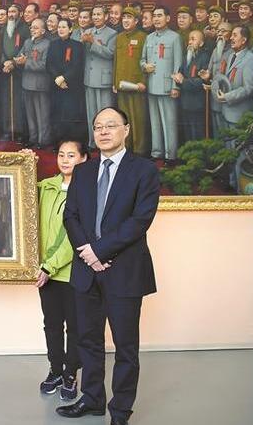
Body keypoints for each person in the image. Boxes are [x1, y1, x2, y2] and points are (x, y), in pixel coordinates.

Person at [58, 107, 160, 425]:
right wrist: (88, 254)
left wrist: (100, 251)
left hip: (124, 271)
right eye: (98, 126)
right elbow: (70, 216)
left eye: (110, 125)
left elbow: (140, 220)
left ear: (126, 130)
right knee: (87, 340)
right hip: (86, 270)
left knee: (125, 346)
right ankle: (92, 399)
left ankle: (120, 410)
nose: (103, 131)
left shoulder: (144, 170)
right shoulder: (83, 171)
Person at [33, 139, 88, 402]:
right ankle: (55, 370)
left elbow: (72, 238)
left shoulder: (86, 193)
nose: (65, 160)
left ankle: (70, 374)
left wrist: (49, 266)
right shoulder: (46, 187)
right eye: (61, 155)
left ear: (83, 159)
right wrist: (25, 162)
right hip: (46, 272)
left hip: (71, 272)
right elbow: (18, 197)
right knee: (51, 324)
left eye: (71, 155)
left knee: (74, 327)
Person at [141, 6, 183, 163]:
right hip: (152, 85)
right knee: (155, 122)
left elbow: (178, 64)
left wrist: (175, 86)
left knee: (169, 122)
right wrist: (145, 66)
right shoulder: (149, 37)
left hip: (167, 86)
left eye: (160, 15)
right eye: (154, 16)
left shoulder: (175, 37)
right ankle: (156, 152)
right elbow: (142, 60)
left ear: (168, 18)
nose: (156, 19)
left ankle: (170, 155)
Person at [113, 7, 149, 156]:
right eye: (124, 18)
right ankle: (126, 147)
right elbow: (115, 61)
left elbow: (146, 60)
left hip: (136, 84)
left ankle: (139, 149)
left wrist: (143, 82)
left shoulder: (143, 37)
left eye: (129, 18)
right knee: (124, 118)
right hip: (122, 84)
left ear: (136, 21)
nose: (126, 21)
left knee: (138, 118)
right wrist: (114, 82)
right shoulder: (119, 37)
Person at [81, 5, 117, 148]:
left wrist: (93, 43)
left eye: (99, 14)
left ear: (106, 17)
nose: (96, 17)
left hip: (103, 79)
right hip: (89, 78)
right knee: (92, 113)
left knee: (105, 114)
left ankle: (107, 143)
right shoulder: (87, 31)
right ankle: (93, 142)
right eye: (94, 15)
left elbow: (110, 53)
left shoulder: (112, 34)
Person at [47, 17, 86, 143]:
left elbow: (77, 66)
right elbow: (49, 64)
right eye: (59, 27)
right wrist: (57, 78)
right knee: (57, 113)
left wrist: (64, 78)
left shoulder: (77, 45)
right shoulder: (53, 44)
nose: (61, 29)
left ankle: (72, 142)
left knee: (71, 114)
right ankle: (58, 142)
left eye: (64, 27)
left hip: (72, 86)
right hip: (56, 85)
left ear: (70, 29)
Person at [17, 18, 53, 149]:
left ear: (43, 31)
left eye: (36, 28)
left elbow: (45, 65)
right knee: (30, 114)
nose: (33, 30)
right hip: (27, 82)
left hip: (40, 84)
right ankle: (33, 138)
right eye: (31, 27)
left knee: (42, 114)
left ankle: (43, 140)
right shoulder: (27, 42)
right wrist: (17, 60)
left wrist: (26, 62)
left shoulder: (47, 44)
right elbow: (20, 56)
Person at [0, 3, 30, 142]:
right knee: (6, 101)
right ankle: (7, 130)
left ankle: (19, 131)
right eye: (9, 12)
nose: (11, 14)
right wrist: (5, 61)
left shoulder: (25, 29)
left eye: (13, 12)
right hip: (5, 69)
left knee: (18, 102)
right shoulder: (3, 28)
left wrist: (13, 63)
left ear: (20, 14)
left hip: (19, 70)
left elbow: (26, 48)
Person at [175, 30, 211, 142]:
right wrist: (177, 79)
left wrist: (183, 81)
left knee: (198, 134)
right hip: (185, 102)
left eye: (193, 39)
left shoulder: (204, 57)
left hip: (198, 103)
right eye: (189, 39)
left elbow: (202, 81)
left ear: (201, 43)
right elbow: (180, 75)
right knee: (188, 135)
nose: (190, 42)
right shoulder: (186, 57)